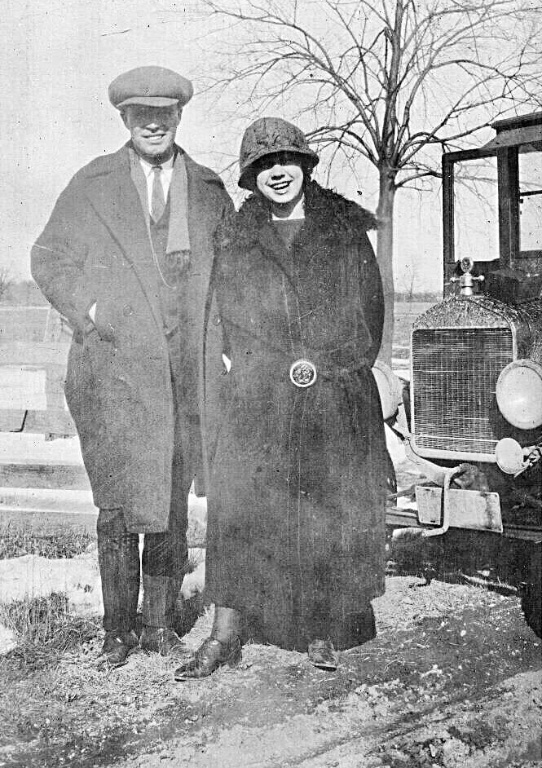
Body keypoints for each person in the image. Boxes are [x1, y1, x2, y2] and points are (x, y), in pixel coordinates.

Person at [31, 66, 233, 668]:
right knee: (118, 504)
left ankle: (159, 624)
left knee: (170, 501)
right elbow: (48, 258)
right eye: (141, 115)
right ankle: (117, 630)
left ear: (179, 117)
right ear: (125, 119)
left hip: (183, 372)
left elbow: (231, 273)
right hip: (113, 371)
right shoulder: (92, 184)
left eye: (163, 114)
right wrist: (90, 311)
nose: (153, 124)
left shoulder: (208, 189)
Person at [175, 117, 388, 680]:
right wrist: (258, 372)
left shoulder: (344, 231)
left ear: (305, 166)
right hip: (259, 397)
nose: (277, 172)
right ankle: (225, 632)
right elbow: (223, 319)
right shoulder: (235, 239)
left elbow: (368, 318)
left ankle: (320, 624)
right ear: (251, 176)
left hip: (330, 395)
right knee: (238, 507)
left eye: (287, 160)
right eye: (264, 164)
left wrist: (330, 369)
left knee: (323, 507)